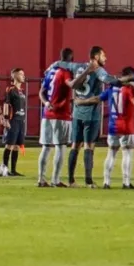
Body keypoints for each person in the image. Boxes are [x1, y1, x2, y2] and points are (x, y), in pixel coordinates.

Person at [67, 46, 127, 188]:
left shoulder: (79, 67)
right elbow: (107, 79)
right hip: (91, 115)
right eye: (103, 55)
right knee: (89, 146)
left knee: (75, 146)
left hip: (77, 113)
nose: (105, 58)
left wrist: (54, 65)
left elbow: (65, 69)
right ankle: (88, 181)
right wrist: (123, 80)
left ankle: (71, 180)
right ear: (96, 57)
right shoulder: (99, 70)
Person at [99, 68, 134, 189]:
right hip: (126, 126)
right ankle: (126, 182)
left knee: (111, 152)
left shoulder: (111, 87)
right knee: (127, 153)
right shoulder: (129, 89)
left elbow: (99, 98)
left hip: (112, 125)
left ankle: (106, 182)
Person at [38, 48, 75, 188]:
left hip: (47, 114)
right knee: (61, 147)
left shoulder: (51, 72)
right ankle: (55, 179)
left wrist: (47, 103)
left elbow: (41, 92)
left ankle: (41, 179)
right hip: (61, 115)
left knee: (46, 147)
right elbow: (71, 84)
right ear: (71, 60)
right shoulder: (66, 73)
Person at [1, 68, 27, 176]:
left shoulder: (22, 91)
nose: (23, 76)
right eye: (21, 74)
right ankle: (4, 169)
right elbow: (6, 104)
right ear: (14, 76)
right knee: (9, 145)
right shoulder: (10, 89)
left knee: (17, 146)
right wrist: (6, 119)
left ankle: (13, 170)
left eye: (23, 74)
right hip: (13, 120)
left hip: (21, 120)